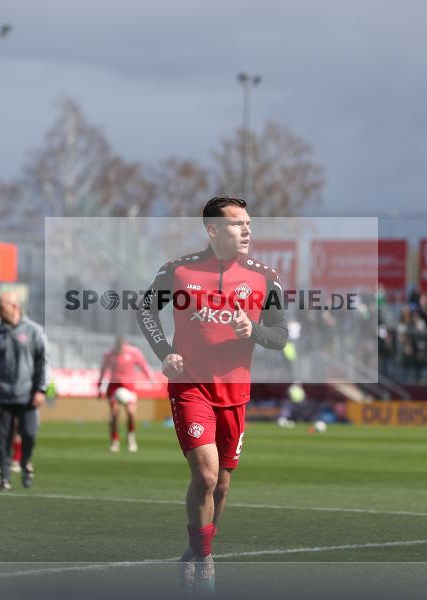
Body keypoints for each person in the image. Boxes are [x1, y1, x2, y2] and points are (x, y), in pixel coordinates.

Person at [137, 197, 287, 594]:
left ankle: (197, 549)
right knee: (204, 474)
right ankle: (203, 559)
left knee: (221, 485)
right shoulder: (179, 271)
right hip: (191, 388)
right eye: (238, 224)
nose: (248, 230)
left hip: (235, 394)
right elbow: (146, 310)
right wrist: (165, 352)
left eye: (249, 223)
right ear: (213, 230)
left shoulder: (266, 278)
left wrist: (252, 330)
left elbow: (280, 336)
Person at [0, 292, 48, 490]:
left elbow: (43, 362)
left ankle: (25, 463)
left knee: (29, 434)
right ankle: (5, 477)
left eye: (1, 306)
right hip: (3, 395)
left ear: (15, 307)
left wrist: (41, 389)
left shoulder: (34, 331)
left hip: (28, 395)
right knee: (2, 438)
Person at [97, 336, 153, 452]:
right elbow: (103, 370)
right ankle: (114, 441)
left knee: (131, 413)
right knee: (114, 414)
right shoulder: (109, 355)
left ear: (124, 345)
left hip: (129, 387)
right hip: (114, 387)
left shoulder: (134, 353)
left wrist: (151, 378)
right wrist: (99, 387)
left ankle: (131, 438)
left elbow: (143, 366)